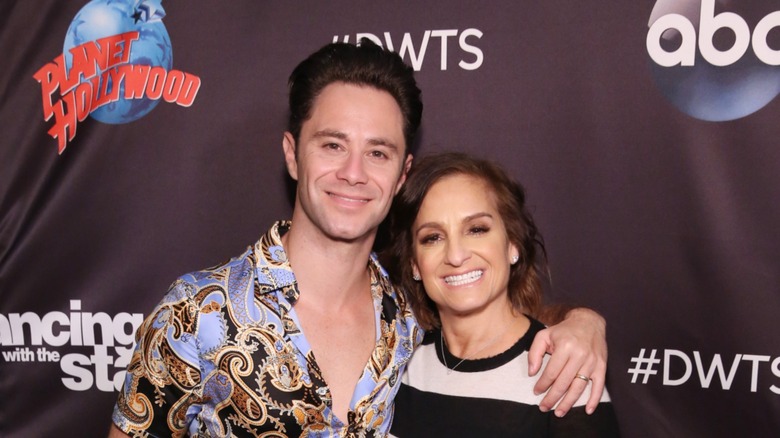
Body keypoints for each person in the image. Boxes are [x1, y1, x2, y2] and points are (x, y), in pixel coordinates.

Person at [109, 40, 608, 437]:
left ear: (401, 173)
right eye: (332, 145)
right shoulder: (197, 314)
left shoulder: (412, 321)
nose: (353, 173)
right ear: (292, 153)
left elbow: (495, 326)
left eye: (378, 153)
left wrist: (583, 323)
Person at [384, 152, 619, 436]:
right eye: (433, 237)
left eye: (477, 229)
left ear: (512, 245)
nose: (456, 256)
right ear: (414, 264)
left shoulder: (564, 372)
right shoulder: (397, 364)